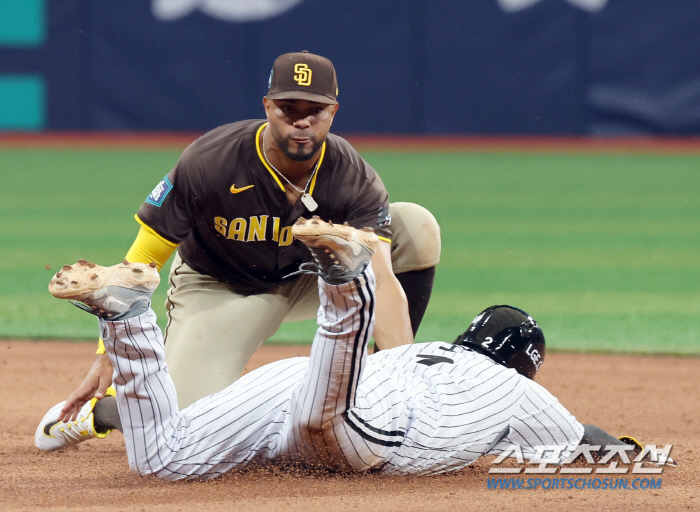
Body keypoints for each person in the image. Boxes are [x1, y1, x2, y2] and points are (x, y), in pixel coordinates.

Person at [37, 218, 666, 477]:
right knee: (329, 419)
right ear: (527, 367)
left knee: (160, 459)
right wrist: (640, 455)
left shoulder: (423, 357)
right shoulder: (512, 389)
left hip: (290, 381)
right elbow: (587, 445)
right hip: (365, 421)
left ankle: (128, 317)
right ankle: (344, 277)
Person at [41, 50, 441, 441]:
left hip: (310, 281)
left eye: (314, 111)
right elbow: (143, 259)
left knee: (415, 226)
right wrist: (109, 350)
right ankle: (102, 412)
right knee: (182, 421)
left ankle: (371, 383)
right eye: (289, 109)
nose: (301, 122)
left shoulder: (353, 176)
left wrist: (400, 385)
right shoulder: (211, 160)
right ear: (267, 106)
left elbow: (383, 281)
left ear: (333, 113)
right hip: (220, 287)